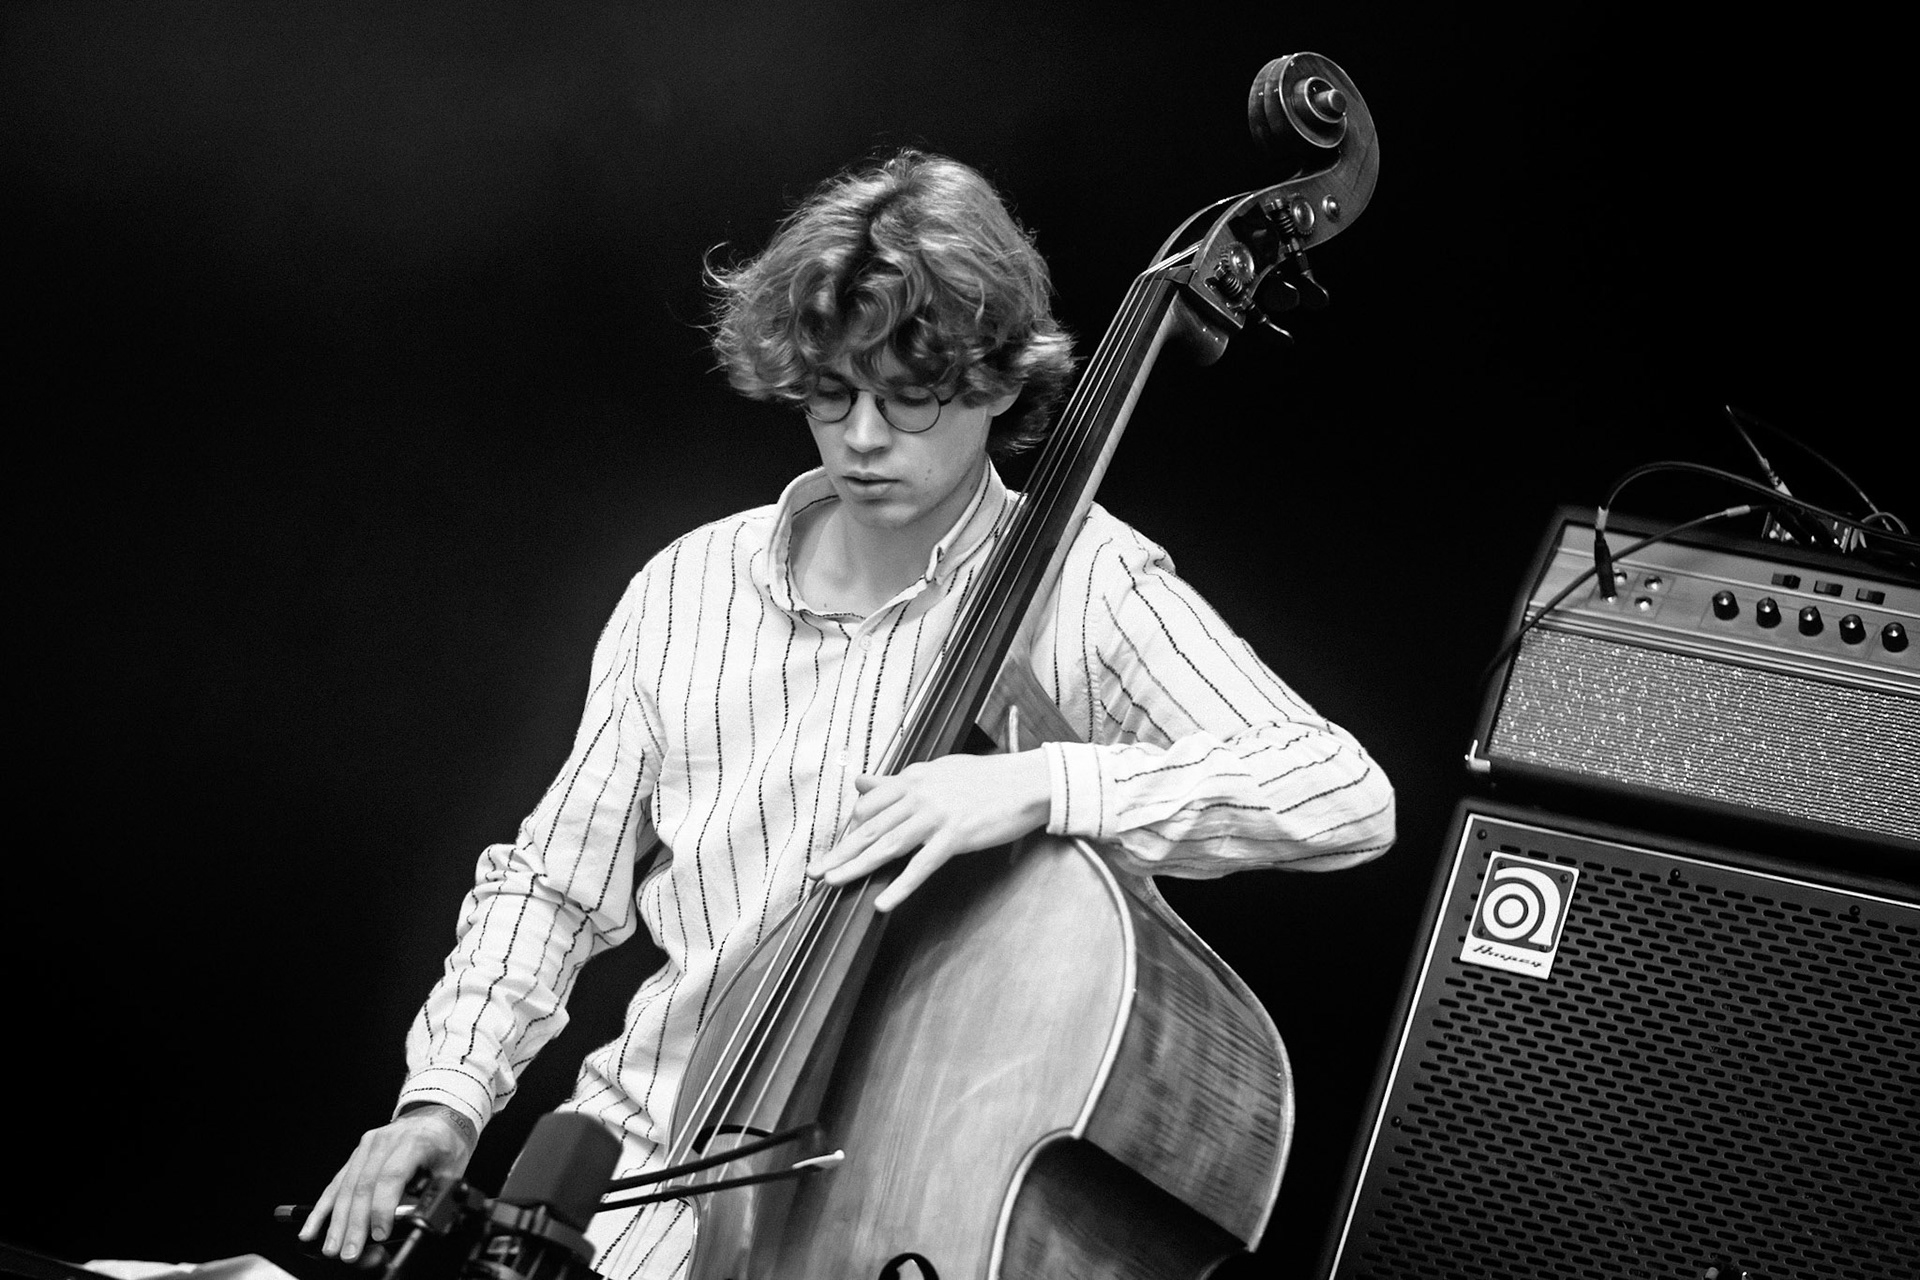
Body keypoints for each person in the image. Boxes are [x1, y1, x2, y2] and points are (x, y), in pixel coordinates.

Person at [300, 149, 1395, 1280]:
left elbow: (1344, 790)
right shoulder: (687, 587)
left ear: (1000, 382)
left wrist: (1043, 783)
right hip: (634, 1185)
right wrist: (445, 1098)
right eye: (832, 395)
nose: (863, 437)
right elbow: (553, 883)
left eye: (909, 396)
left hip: (890, 1217)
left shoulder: (1087, 584)